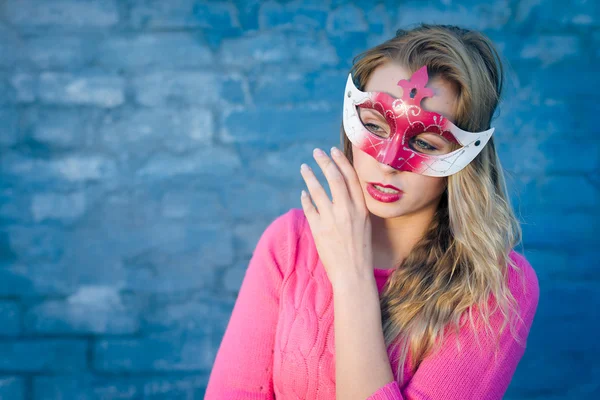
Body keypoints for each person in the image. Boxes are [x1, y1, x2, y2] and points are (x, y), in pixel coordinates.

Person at [205, 23, 539, 400]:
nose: (389, 162)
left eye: (425, 143)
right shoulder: (289, 242)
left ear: (465, 158)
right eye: (375, 126)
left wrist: (351, 278)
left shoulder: (499, 286)